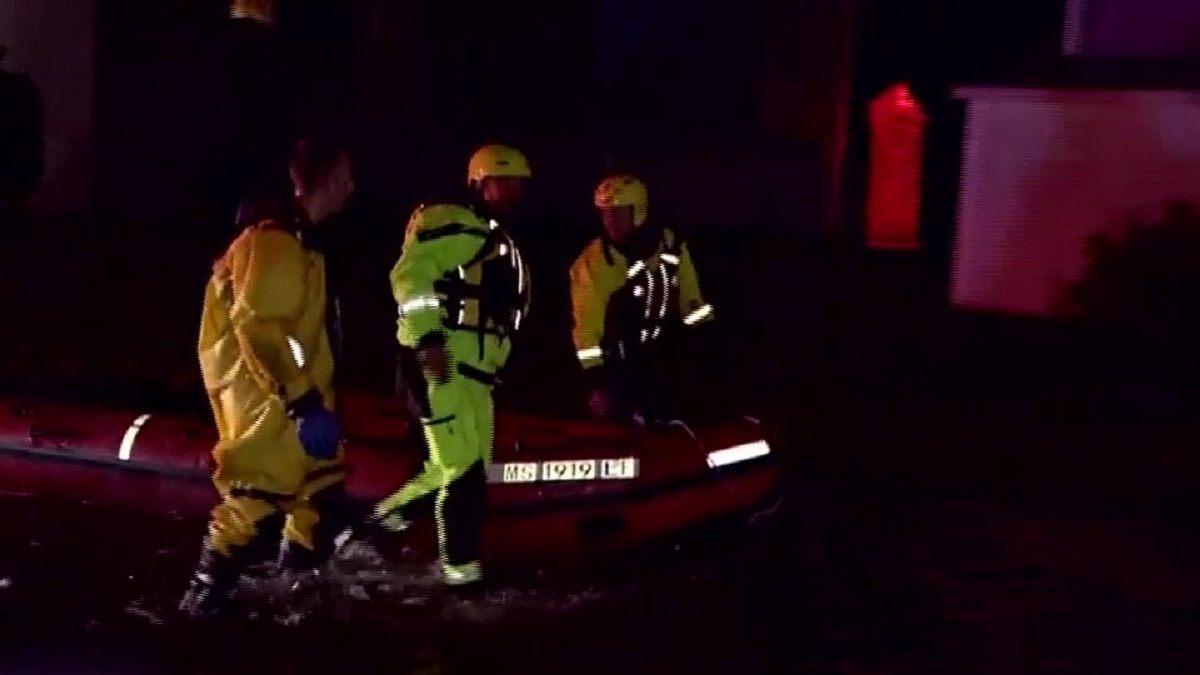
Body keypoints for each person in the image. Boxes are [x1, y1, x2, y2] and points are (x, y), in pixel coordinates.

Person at [179, 136, 356, 618]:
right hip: (268, 404)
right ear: (333, 179)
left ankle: (296, 600)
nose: (353, 188)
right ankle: (200, 607)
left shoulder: (296, 245)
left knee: (319, 503)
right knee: (253, 510)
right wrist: (302, 402)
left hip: (292, 403)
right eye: (348, 177)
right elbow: (259, 327)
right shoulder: (273, 243)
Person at [370, 143, 532, 589]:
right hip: (443, 363)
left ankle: (450, 557)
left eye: (522, 182)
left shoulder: (493, 235)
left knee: (472, 472)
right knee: (457, 467)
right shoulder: (455, 222)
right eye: (509, 181)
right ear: (483, 182)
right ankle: (448, 568)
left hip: (477, 376)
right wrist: (430, 339)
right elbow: (410, 276)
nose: (518, 190)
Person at [570, 173, 715, 421]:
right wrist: (599, 384)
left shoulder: (671, 244)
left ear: (639, 212)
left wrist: (709, 346)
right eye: (605, 213)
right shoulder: (591, 264)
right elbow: (587, 330)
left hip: (664, 353)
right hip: (618, 361)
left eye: (618, 213)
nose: (611, 221)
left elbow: (692, 301)